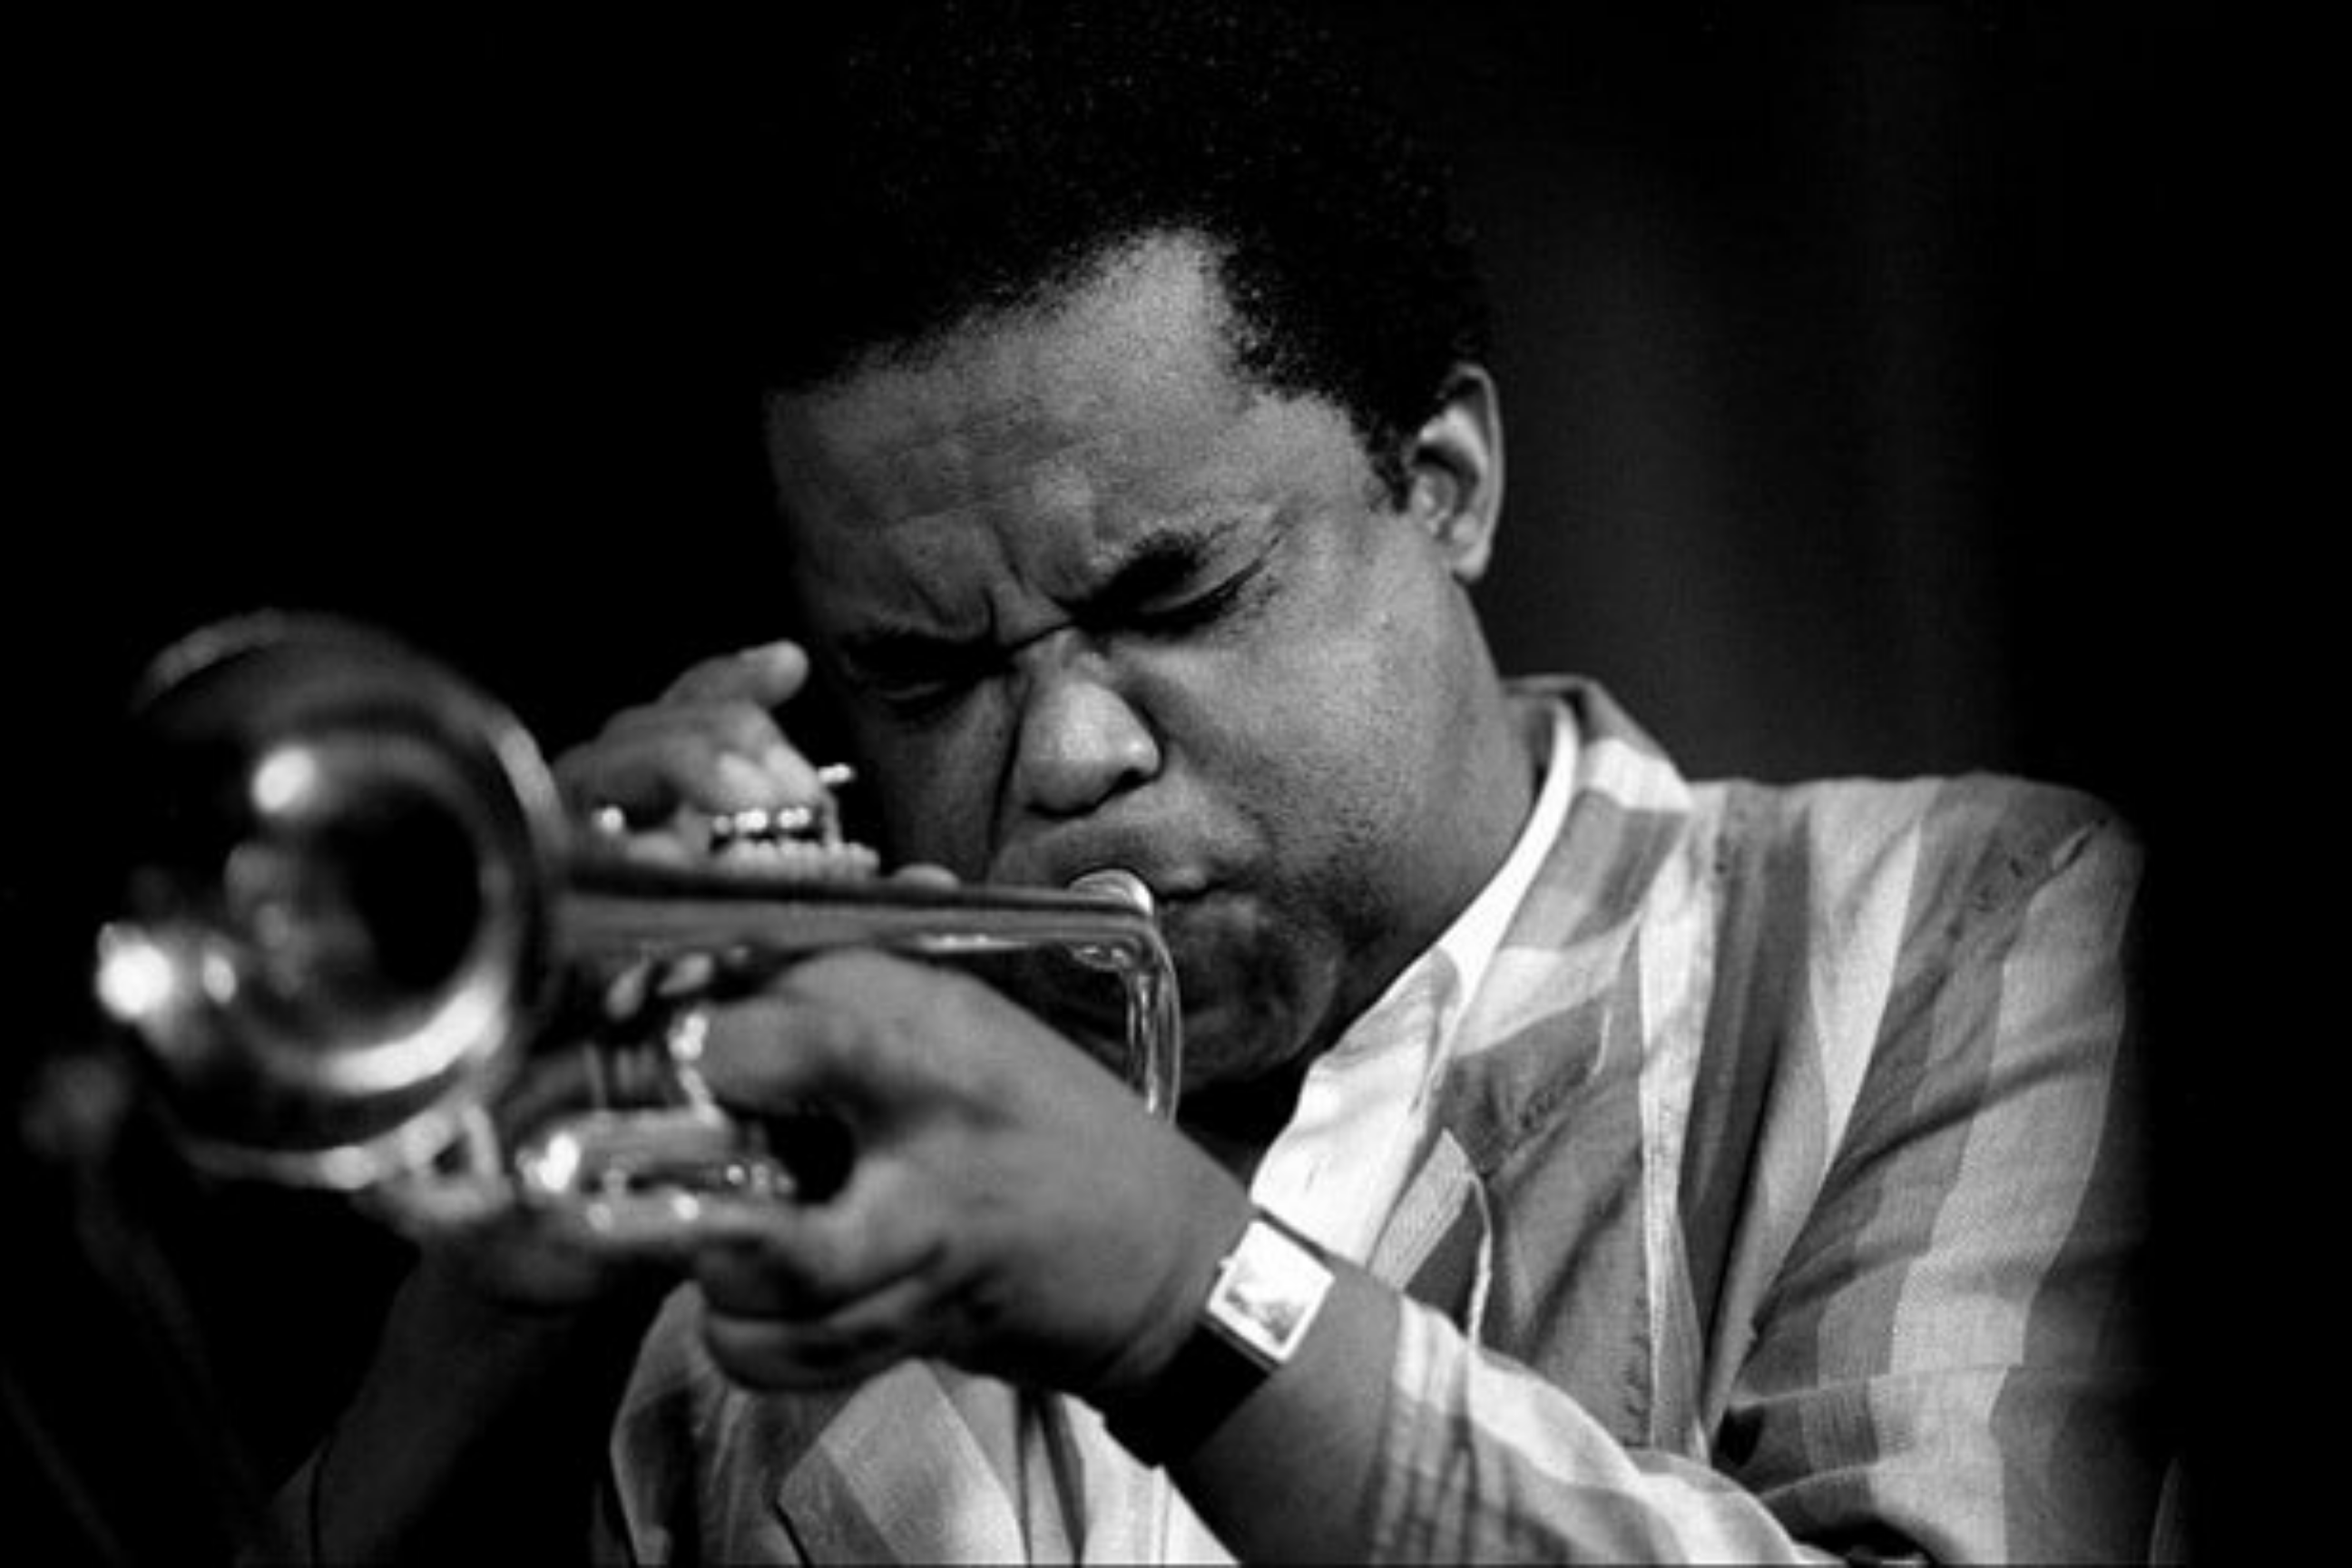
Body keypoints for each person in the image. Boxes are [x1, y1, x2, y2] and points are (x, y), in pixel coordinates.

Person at [258, 3, 2175, 1560]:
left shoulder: (1964, 931)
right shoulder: (772, 1270)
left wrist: (1183, 1288)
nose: (1069, 756)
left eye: (1173, 592)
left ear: (1447, 482)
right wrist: (479, 1318)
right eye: (930, 674)